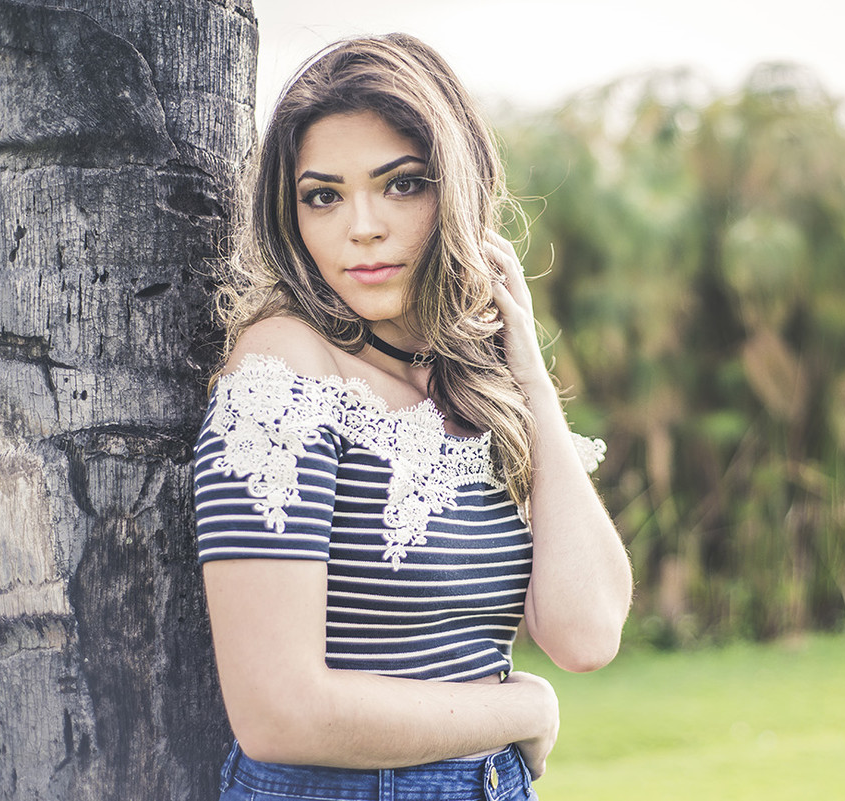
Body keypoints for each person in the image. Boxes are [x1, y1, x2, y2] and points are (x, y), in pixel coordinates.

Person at [192, 33, 633, 801]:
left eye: (402, 184)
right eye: (322, 195)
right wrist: (519, 705)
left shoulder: (470, 386)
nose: (361, 227)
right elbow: (278, 713)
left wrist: (524, 364)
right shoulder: (284, 366)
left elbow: (586, 631)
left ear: (457, 188)